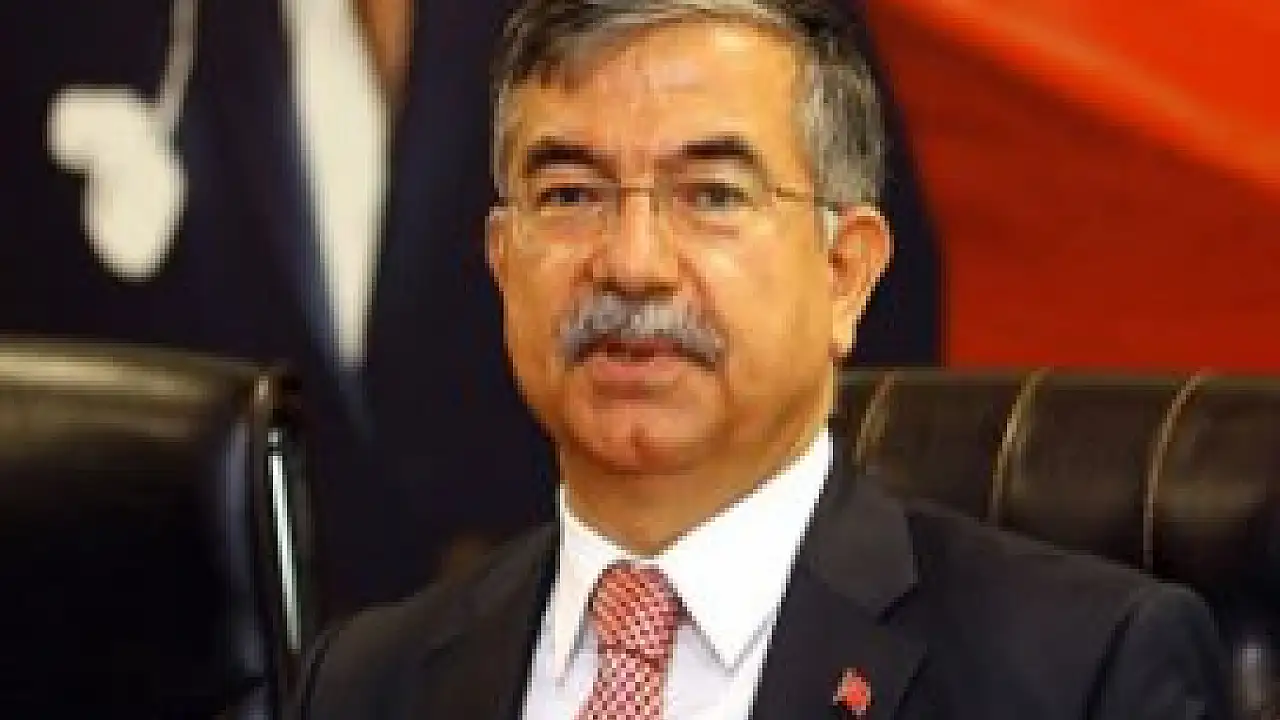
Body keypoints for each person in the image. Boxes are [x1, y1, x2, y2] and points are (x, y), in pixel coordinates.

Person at [308, 0, 1225, 717]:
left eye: (711, 194)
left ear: (845, 274)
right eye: (571, 194)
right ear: (503, 262)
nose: (632, 263)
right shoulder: (363, 685)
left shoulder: (1079, 672)